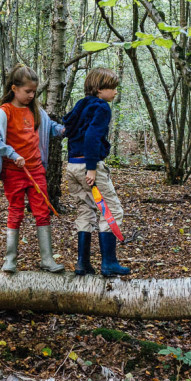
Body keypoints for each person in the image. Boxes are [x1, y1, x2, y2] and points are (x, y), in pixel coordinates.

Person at [0, 64, 65, 273]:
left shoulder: (35, 110)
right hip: (14, 172)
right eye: (27, 91)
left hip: (36, 170)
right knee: (16, 211)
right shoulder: (5, 111)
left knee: (42, 211)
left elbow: (51, 128)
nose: (31, 95)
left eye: (33, 92)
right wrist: (11, 153)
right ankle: (10, 259)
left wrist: (66, 130)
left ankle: (47, 259)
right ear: (14, 88)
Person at [62, 67, 130, 277]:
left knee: (85, 209)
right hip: (89, 166)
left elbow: (67, 127)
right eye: (112, 88)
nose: (115, 92)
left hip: (72, 165)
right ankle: (109, 263)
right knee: (112, 210)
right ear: (100, 90)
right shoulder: (102, 107)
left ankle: (83, 264)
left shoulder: (81, 104)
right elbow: (92, 136)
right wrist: (91, 167)